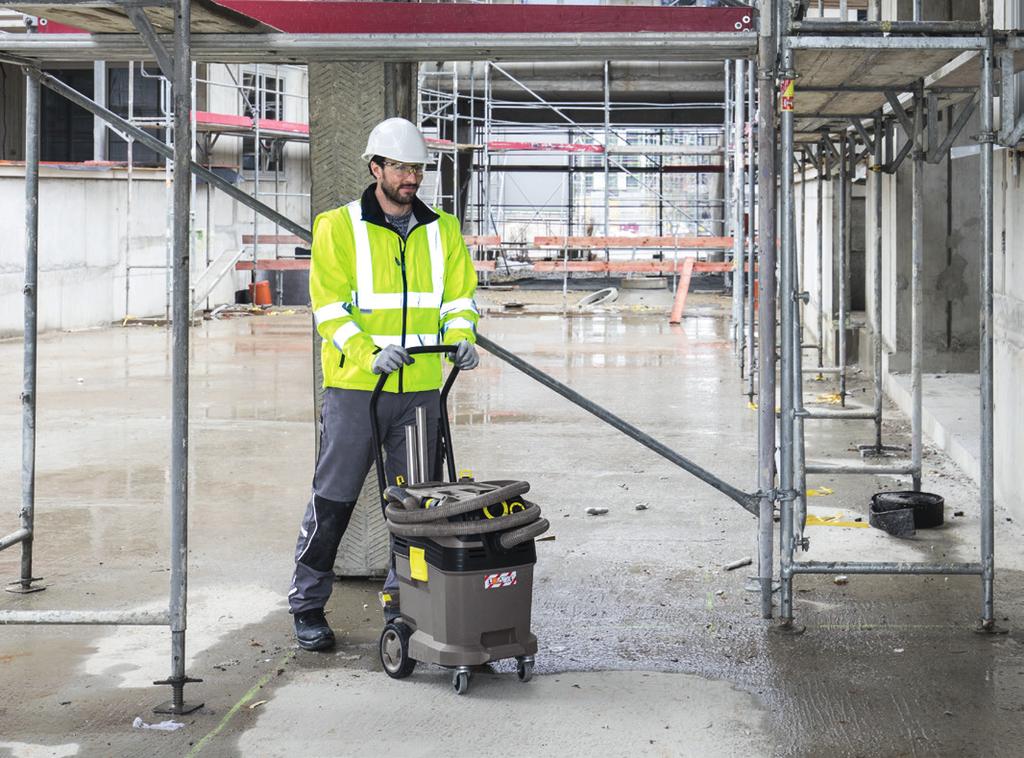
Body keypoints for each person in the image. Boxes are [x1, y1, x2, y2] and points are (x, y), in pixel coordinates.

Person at [288, 117, 480, 651]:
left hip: (420, 391)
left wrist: (462, 337)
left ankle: (407, 603)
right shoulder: (339, 226)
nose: (410, 178)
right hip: (356, 389)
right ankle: (306, 603)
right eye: (400, 167)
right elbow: (329, 307)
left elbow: (459, 298)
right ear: (376, 168)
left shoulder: (443, 229)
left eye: (417, 168)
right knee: (334, 499)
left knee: (417, 507)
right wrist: (368, 352)